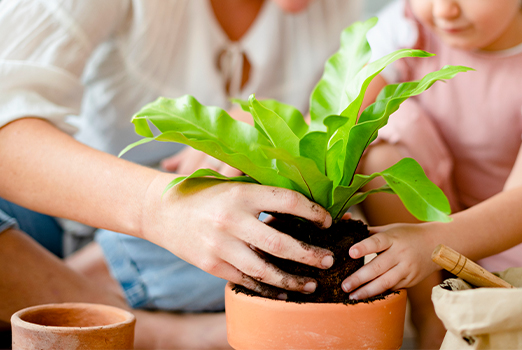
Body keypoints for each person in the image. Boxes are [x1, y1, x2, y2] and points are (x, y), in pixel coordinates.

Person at [0, 0, 362, 348]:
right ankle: (161, 335)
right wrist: (158, 208)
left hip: (185, 256)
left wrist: (271, 129)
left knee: (324, 235)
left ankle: (49, 297)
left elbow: (352, 129)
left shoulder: (340, 12)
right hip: (49, 222)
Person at [339, 0, 522, 348]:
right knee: (383, 142)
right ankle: (429, 313)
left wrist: (430, 243)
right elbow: (345, 121)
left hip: (507, 231)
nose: (444, 10)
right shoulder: (405, 26)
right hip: (415, 221)